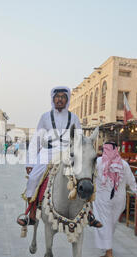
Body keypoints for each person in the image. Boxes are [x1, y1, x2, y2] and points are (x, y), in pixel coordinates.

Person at [17, 86, 101, 228]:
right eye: (57, 96)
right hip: (47, 153)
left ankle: (89, 212)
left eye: (63, 97)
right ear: (53, 99)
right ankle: (30, 213)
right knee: (32, 178)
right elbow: (37, 139)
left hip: (67, 153)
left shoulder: (74, 117)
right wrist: (30, 163)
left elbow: (79, 139)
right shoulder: (45, 117)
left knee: (84, 176)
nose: (60, 99)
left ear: (67, 100)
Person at [94, 142, 137, 257]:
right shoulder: (124, 164)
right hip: (119, 200)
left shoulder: (98, 162)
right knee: (111, 224)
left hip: (103, 199)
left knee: (104, 224)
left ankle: (108, 254)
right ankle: (107, 247)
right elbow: (131, 181)